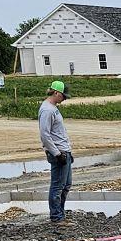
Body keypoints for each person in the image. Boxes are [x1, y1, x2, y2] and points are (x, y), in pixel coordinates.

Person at [38, 81, 72, 222]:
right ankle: (57, 217)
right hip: (58, 153)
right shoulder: (47, 110)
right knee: (58, 186)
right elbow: (45, 135)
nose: (64, 99)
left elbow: (57, 132)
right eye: (63, 96)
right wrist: (57, 154)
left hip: (64, 151)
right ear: (56, 93)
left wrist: (68, 152)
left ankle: (60, 214)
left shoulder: (53, 108)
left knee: (66, 185)